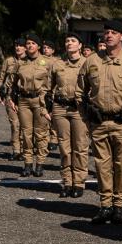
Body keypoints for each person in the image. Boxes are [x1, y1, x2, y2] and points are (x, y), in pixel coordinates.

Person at [77, 20, 122, 226]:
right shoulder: (92, 61)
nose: (108, 36)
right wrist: (86, 119)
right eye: (106, 32)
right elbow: (80, 92)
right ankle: (105, 205)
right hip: (99, 123)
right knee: (102, 166)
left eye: (114, 32)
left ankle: (119, 205)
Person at [5, 33, 54, 177]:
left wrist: (51, 102)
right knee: (26, 133)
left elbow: (55, 83)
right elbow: (12, 83)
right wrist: (11, 98)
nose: (29, 45)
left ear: (39, 46)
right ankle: (27, 164)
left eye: (33, 43)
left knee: (41, 134)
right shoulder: (20, 63)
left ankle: (39, 164)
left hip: (41, 101)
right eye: (28, 43)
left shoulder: (48, 62)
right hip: (24, 101)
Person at [50, 33, 89, 198]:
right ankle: (67, 181)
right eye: (67, 41)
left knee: (80, 147)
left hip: (79, 109)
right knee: (65, 148)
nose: (69, 43)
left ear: (80, 45)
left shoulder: (88, 63)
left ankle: (79, 182)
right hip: (60, 108)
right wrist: (46, 109)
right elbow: (47, 87)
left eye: (73, 41)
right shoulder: (57, 64)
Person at [0, 39, 25, 160]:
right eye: (16, 45)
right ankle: (16, 150)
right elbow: (1, 76)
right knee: (15, 124)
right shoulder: (9, 61)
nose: (18, 48)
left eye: (20, 46)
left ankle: (25, 150)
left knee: (25, 125)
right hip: (9, 96)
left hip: (24, 98)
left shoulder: (30, 61)